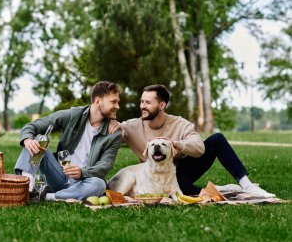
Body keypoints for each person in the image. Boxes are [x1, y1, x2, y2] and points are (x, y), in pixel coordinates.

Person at [108, 84, 275, 198]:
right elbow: (110, 132)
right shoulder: (131, 127)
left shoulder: (180, 123)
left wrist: (176, 144)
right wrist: (114, 126)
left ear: (162, 105)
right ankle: (214, 192)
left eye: (148, 102)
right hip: (156, 174)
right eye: (142, 102)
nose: (142, 106)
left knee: (217, 139)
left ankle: (247, 185)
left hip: (184, 168)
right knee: (179, 186)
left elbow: (199, 148)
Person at [15, 81, 121, 202]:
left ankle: (49, 196)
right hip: (58, 174)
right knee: (37, 140)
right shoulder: (73, 115)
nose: (118, 106)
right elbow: (33, 126)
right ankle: (27, 189)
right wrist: (27, 139)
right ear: (98, 101)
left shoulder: (114, 133)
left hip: (83, 182)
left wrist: (82, 172)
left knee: (99, 184)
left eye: (117, 102)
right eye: (113, 102)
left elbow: (105, 165)